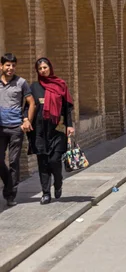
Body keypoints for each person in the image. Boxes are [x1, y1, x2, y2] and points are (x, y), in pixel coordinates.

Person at [26, 58, 75, 204]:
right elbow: (28, 107)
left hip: (57, 129)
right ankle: (46, 193)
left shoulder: (60, 85)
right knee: (43, 162)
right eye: (40, 68)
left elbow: (67, 108)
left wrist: (70, 125)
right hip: (39, 131)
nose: (43, 70)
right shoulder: (34, 87)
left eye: (45, 67)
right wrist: (26, 120)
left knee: (54, 160)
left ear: (50, 68)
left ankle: (58, 182)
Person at [0, 53, 35, 207]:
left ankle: (10, 194)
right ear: (1, 66)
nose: (10, 68)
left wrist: (27, 120)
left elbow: (31, 103)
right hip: (0, 128)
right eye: (7, 65)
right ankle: (9, 184)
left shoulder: (21, 83)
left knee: (14, 161)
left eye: (13, 65)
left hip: (15, 128)